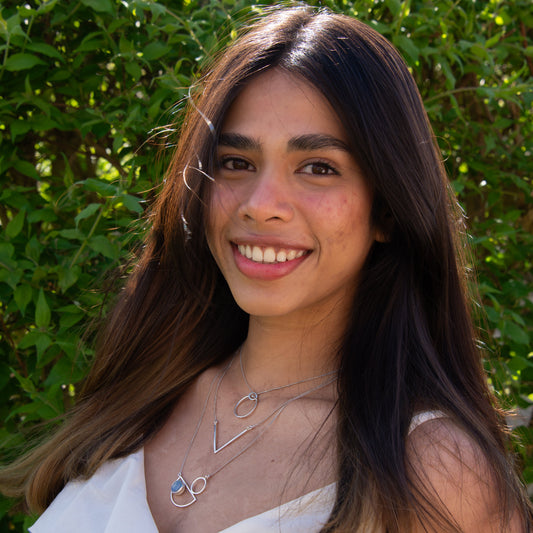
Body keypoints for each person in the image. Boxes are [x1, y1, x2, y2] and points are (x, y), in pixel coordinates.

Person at [1, 6, 531, 532]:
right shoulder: (143, 391)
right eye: (236, 162)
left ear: (387, 211)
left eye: (318, 168)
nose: (260, 203)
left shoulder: (436, 472)